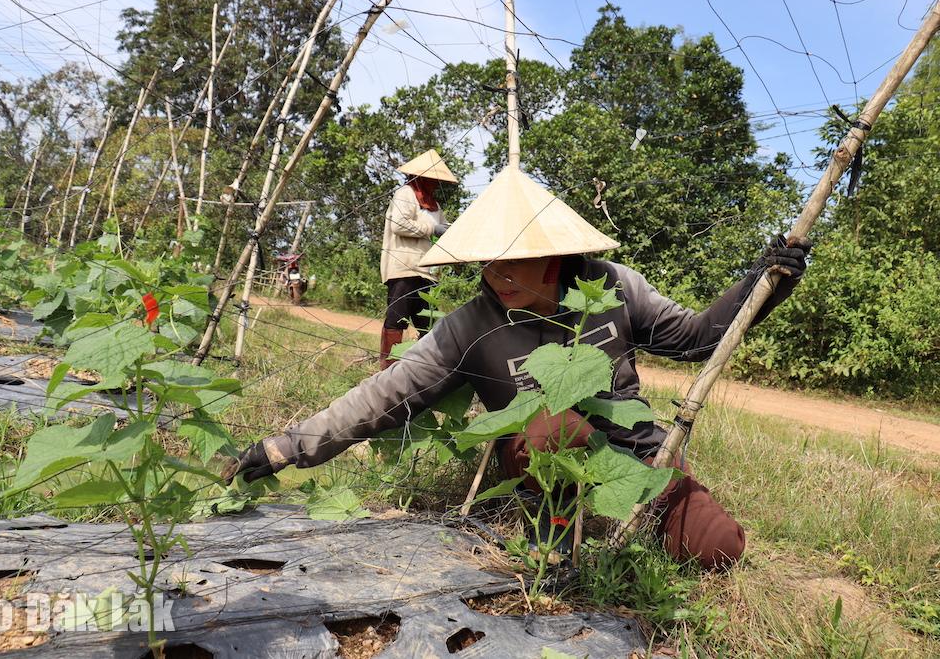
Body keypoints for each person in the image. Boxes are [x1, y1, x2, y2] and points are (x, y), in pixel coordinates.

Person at [224, 166, 811, 571]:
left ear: (553, 254)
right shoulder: (472, 325)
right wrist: (286, 449)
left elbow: (698, 339)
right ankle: (560, 535)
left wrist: (766, 283)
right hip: (541, 464)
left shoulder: (611, 288)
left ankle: (637, 513)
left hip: (637, 457)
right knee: (552, 425)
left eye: (511, 260)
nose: (494, 273)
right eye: (487, 261)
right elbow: (386, 394)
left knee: (719, 548)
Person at [378, 149, 457, 369]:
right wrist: (433, 228)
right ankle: (387, 368)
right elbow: (399, 225)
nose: (434, 183)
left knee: (428, 325)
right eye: (431, 179)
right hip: (404, 268)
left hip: (427, 271)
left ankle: (422, 371)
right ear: (421, 177)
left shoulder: (435, 206)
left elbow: (441, 231)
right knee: (397, 320)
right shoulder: (405, 194)